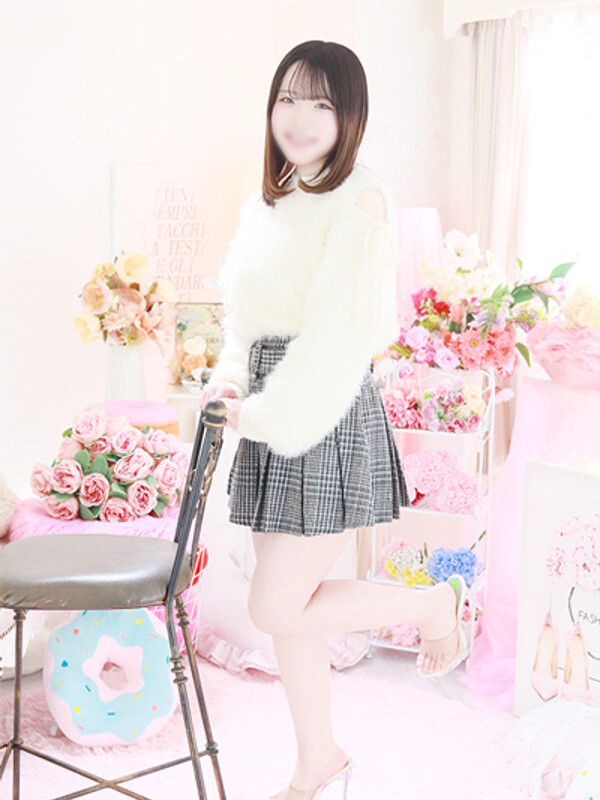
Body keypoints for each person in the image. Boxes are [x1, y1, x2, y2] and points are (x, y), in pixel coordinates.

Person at [200, 40, 468, 800]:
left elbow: (337, 343)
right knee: (291, 615)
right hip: (270, 414)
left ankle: (432, 604)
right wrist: (230, 384)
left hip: (319, 417)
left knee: (274, 604)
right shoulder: (273, 196)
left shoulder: (360, 200)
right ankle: (317, 758)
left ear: (350, 115)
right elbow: (243, 320)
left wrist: (259, 413)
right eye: (289, 98)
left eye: (322, 102)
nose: (301, 117)